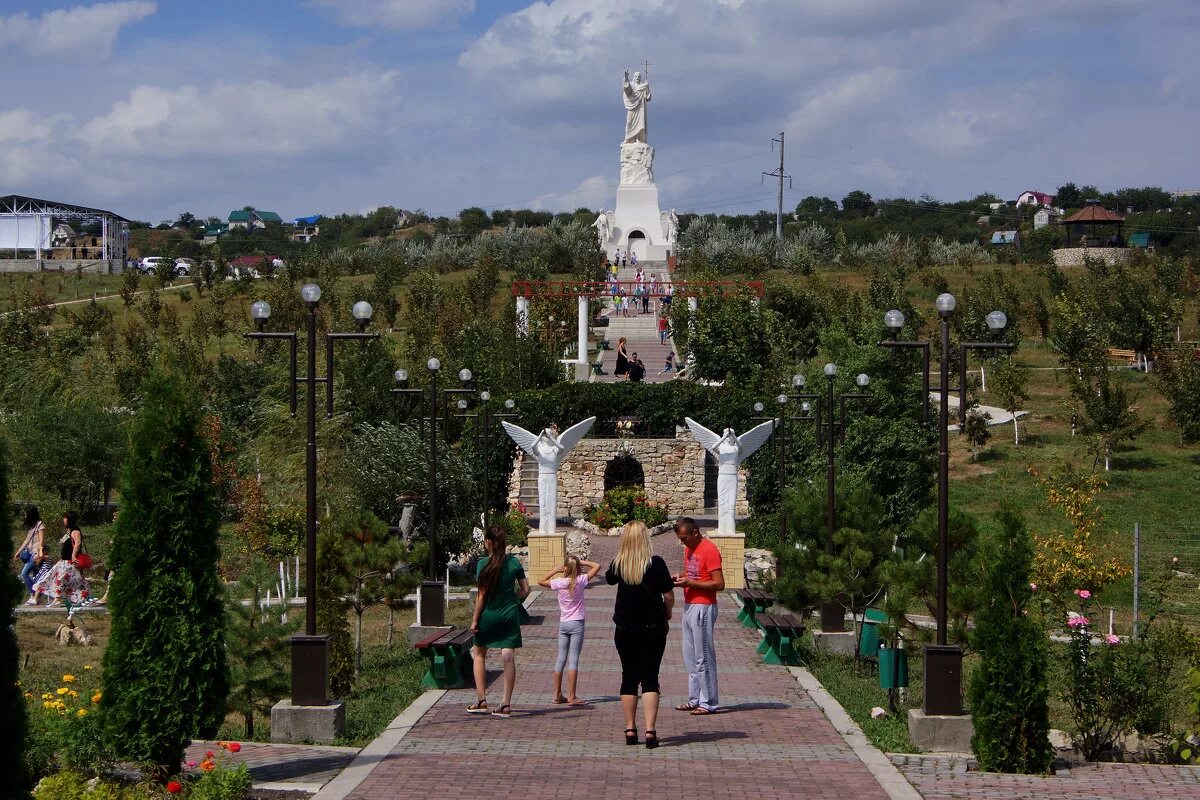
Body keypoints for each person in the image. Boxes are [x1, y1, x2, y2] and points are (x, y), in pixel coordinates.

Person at [606, 521, 674, 749]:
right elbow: (669, 595)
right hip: (652, 628)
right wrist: (667, 612)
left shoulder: (619, 564)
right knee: (650, 677)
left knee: (629, 676)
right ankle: (650, 731)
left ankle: (630, 729)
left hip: (625, 629)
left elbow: (609, 578)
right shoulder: (656, 563)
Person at [467, 526, 530, 718]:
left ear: (488, 542)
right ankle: (505, 704)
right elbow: (525, 589)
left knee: (479, 653)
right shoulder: (514, 563)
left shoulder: (483, 564)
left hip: (488, 615)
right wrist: (513, 599)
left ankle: (481, 700)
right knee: (508, 657)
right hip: (509, 616)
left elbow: (481, 595)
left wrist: (474, 620)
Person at [672, 517, 724, 715]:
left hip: (704, 605)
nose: (682, 542)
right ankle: (695, 699)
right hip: (689, 603)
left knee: (703, 656)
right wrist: (681, 577)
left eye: (684, 538)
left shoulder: (709, 549)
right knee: (690, 656)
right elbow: (692, 573)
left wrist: (691, 584)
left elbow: (719, 584)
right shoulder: (689, 549)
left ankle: (709, 702)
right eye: (680, 538)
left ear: (695, 532)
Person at [539, 555, 602, 705]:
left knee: (561, 659)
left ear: (565, 568)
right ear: (578, 568)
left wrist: (556, 570)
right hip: (577, 623)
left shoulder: (559, 583)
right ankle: (572, 696)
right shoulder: (581, 580)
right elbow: (597, 566)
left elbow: (541, 581)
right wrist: (580, 561)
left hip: (564, 623)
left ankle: (557, 694)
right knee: (573, 660)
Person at [32, 511, 92, 609]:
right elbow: (65, 543)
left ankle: (59, 599)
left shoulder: (75, 531)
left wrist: (73, 556)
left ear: (70, 519)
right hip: (65, 560)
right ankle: (60, 599)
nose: (64, 520)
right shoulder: (69, 530)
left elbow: (77, 544)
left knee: (62, 579)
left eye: (65, 518)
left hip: (71, 561)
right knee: (68, 580)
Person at [14, 505, 47, 603]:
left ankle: (34, 594)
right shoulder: (32, 526)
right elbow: (26, 540)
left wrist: (40, 552)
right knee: (36, 576)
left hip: (36, 554)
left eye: (26, 514)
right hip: (30, 553)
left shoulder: (40, 525)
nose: (25, 516)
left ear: (30, 514)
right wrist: (18, 552)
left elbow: (41, 540)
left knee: (24, 574)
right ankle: (37, 598)